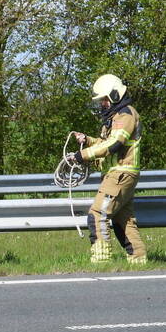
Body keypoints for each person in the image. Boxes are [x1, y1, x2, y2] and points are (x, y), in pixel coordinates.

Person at [68, 74, 146, 264]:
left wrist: (83, 155)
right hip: (119, 174)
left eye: (104, 100)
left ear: (114, 96)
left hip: (120, 173)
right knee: (123, 220)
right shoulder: (116, 117)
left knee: (97, 215)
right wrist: (86, 140)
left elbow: (114, 144)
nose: (102, 104)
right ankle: (139, 260)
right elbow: (104, 143)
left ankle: (101, 260)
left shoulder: (125, 115)